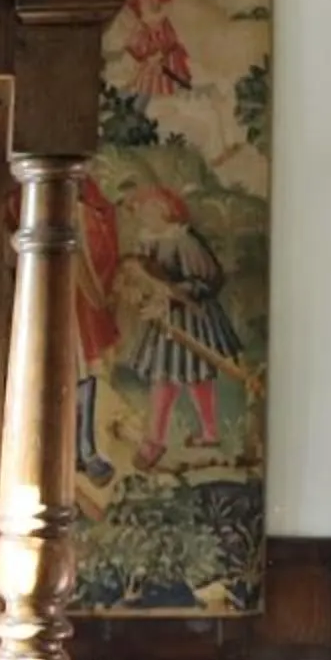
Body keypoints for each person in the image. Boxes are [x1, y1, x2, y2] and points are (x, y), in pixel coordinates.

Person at [122, 183, 240, 468]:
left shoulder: (184, 241)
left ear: (164, 210)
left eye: (147, 208)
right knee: (164, 377)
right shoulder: (147, 240)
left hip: (191, 318)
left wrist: (174, 294)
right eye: (139, 209)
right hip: (163, 321)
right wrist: (142, 292)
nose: (142, 214)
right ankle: (155, 440)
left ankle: (208, 433)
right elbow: (140, 275)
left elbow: (209, 280)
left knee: (195, 375)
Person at [72, 171, 122, 482]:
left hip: (75, 304)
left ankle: (84, 451)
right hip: (58, 301)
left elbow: (88, 260)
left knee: (83, 375)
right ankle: (78, 452)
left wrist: (98, 301)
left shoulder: (87, 210)